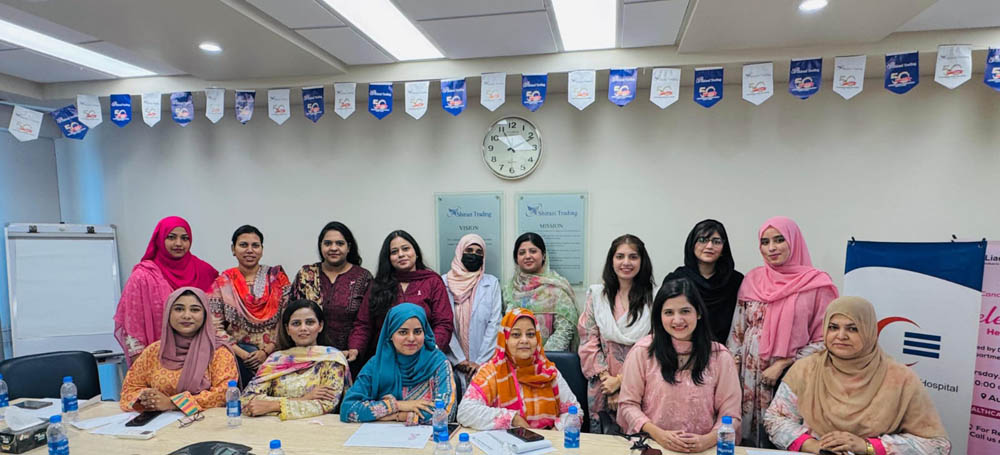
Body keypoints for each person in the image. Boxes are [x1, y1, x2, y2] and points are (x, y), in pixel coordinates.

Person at [764, 297, 951, 454]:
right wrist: (815, 446)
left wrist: (867, 446)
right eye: (833, 327)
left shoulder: (900, 378)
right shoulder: (806, 369)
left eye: (852, 329)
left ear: (869, 331)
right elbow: (775, 419)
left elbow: (937, 444)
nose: (841, 336)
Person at [727, 216, 839, 447]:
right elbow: (738, 330)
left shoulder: (817, 283)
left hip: (792, 375)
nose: (772, 248)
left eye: (779, 240)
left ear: (794, 241)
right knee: (746, 439)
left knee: (783, 435)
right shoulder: (753, 279)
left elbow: (824, 340)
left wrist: (783, 364)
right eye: (765, 242)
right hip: (748, 375)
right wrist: (731, 371)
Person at [617, 279, 741, 453]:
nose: (677, 320)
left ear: (698, 313)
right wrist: (659, 434)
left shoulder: (720, 356)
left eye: (685, 311)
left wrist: (706, 441)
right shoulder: (643, 352)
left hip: (704, 449)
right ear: (659, 316)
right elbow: (628, 404)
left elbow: (731, 414)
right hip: (653, 446)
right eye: (668, 312)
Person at [114, 216, 219, 364]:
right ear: (159, 239)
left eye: (184, 238)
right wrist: (143, 367)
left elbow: (216, 317)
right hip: (157, 362)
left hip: (201, 358)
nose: (178, 243)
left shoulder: (204, 271)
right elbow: (132, 327)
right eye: (171, 237)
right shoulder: (143, 276)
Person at [578, 234, 654, 434]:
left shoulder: (654, 298)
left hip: (640, 383)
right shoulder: (597, 295)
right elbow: (588, 340)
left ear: (642, 261)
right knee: (604, 440)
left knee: (637, 438)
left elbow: (655, 345)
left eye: (633, 257)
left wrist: (620, 382)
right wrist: (608, 382)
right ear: (611, 260)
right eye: (620, 256)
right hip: (601, 383)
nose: (626, 262)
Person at [119, 287, 237, 416]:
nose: (186, 315)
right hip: (158, 422)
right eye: (179, 309)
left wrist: (173, 403)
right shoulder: (154, 351)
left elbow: (223, 393)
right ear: (168, 313)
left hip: (204, 422)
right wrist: (148, 398)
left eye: (195, 310)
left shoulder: (218, 351)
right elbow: (129, 389)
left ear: (205, 315)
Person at [457, 307, 581, 430]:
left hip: (548, 440)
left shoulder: (548, 372)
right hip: (505, 440)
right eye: (516, 335)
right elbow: (465, 412)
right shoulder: (491, 372)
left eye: (530, 334)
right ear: (505, 339)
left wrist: (556, 431)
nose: (524, 340)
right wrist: (512, 419)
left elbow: (575, 412)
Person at [340, 303, 456, 425]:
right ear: (391, 334)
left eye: (417, 332)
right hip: (381, 435)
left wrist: (397, 416)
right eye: (403, 332)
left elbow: (446, 413)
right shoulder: (376, 365)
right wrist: (398, 405)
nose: (411, 338)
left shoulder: (438, 363)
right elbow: (348, 409)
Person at [348, 230, 453, 363]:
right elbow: (363, 324)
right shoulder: (378, 285)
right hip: (385, 359)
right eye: (394, 252)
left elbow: (443, 322)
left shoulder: (432, 282)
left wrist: (431, 350)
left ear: (416, 252)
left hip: (425, 359)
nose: (401, 254)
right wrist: (355, 348)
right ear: (388, 258)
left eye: (405, 249)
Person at [241, 299, 350, 420]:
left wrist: (273, 406)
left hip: (317, 427)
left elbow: (326, 405)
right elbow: (248, 400)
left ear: (320, 326)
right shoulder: (276, 360)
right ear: (287, 329)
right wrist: (304, 399)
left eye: (310, 322)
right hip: (274, 426)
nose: (303, 328)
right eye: (296, 323)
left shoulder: (332, 359)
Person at [208, 225, 290, 386]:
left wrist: (266, 351)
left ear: (262, 249)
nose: (250, 250)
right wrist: (244, 355)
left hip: (276, 354)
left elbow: (287, 320)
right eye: (243, 245)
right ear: (233, 249)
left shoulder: (277, 279)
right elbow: (215, 327)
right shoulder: (222, 283)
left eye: (255, 245)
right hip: (236, 357)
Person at [290, 222, 372, 377]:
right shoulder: (306, 274)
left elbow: (364, 321)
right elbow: (292, 315)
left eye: (339, 243)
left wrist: (355, 348)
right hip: (308, 357)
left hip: (348, 358)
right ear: (321, 246)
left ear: (349, 247)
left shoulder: (363, 277)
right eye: (328, 243)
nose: (333, 248)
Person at [663, 219, 744, 343]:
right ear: (692, 244)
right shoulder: (676, 279)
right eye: (702, 240)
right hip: (682, 347)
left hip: (725, 349)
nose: (709, 246)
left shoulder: (736, 281)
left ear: (724, 248)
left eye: (716, 241)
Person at [442, 234, 502, 386]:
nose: (474, 255)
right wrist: (459, 359)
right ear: (460, 252)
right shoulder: (443, 282)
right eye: (469, 250)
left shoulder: (492, 283)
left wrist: (480, 362)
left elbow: (495, 324)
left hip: (484, 363)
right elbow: (443, 323)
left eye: (479, 252)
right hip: (453, 362)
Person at [503, 232, 577, 351]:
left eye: (533, 251)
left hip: (550, 357)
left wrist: (540, 356)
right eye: (522, 253)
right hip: (514, 356)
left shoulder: (557, 288)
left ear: (543, 256)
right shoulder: (509, 290)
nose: (527, 256)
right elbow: (503, 328)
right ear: (516, 259)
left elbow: (564, 330)